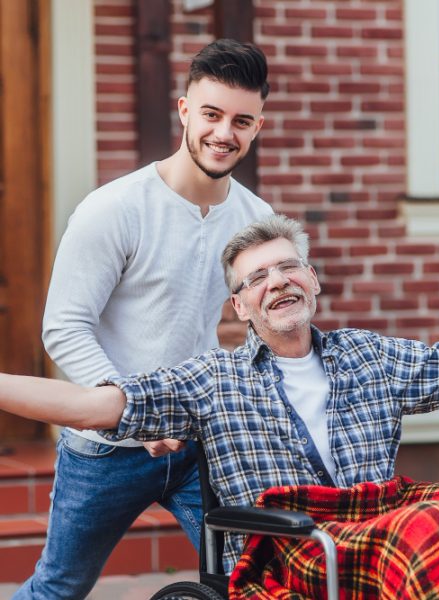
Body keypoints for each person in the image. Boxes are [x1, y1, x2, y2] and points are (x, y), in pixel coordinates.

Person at [3, 215, 439, 597]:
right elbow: (91, 407)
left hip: (377, 521)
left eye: (287, 267)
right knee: (436, 536)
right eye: (256, 277)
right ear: (239, 306)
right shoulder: (215, 379)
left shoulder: (368, 355)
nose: (276, 281)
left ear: (312, 280)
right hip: (288, 547)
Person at [14, 39, 273, 600]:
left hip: (197, 440)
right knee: (59, 588)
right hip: (104, 447)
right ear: (184, 110)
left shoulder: (257, 220)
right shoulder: (115, 209)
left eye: (241, 120)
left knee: (253, 580)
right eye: (211, 114)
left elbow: (267, 332)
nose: (224, 132)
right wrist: (135, 409)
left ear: (258, 126)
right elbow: (63, 326)